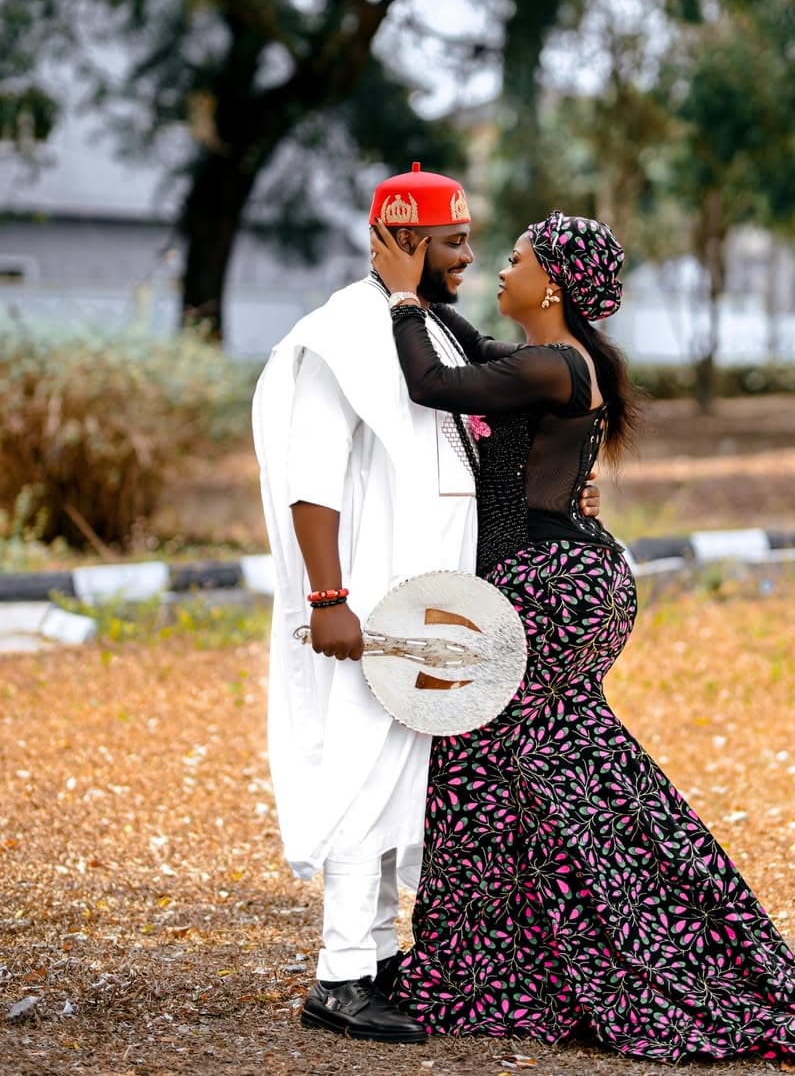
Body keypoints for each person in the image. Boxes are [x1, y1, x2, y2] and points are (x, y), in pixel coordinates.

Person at [370, 210, 795, 1066]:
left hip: (548, 585)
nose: (499, 270)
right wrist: (423, 296)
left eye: (516, 260)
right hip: (574, 581)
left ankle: (533, 962)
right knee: (549, 762)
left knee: (486, 760)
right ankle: (550, 955)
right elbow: (469, 348)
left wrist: (400, 303)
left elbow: (436, 382)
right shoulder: (560, 359)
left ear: (555, 285)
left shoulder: (552, 366)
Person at [252, 165, 600, 1046]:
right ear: (406, 242)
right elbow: (312, 484)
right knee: (361, 778)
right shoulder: (340, 336)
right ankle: (337, 979)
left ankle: (373, 960)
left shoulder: (430, 331)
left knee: (403, 784)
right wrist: (329, 599)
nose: (471, 254)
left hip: (435, 607)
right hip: (368, 604)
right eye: (454, 240)